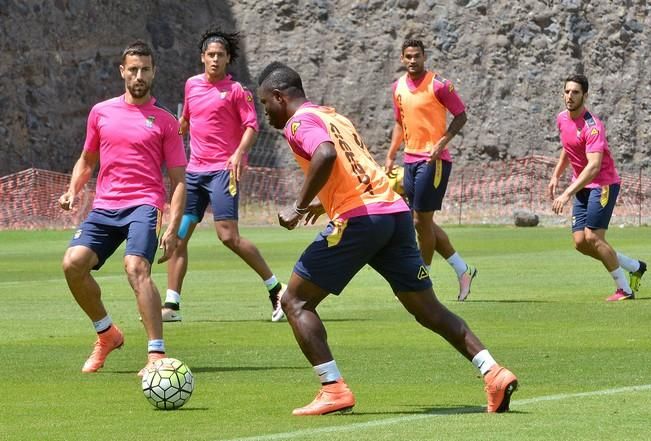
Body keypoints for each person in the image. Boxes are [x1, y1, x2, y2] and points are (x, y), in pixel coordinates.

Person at [256, 61, 518, 415]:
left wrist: (299, 206)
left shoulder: (298, 122)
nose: (265, 112)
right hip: (391, 214)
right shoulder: (335, 116)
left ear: (278, 96)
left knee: (294, 302)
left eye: (264, 103)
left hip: (360, 220)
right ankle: (493, 372)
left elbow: (326, 154)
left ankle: (333, 389)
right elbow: (357, 168)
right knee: (428, 309)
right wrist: (324, 204)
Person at [59, 40, 187, 375]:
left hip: (143, 205)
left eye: (145, 69)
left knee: (135, 268)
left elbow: (179, 181)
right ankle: (107, 334)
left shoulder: (165, 121)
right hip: (104, 206)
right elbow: (87, 160)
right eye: (133, 69)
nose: (139, 75)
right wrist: (73, 189)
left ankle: (157, 355)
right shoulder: (101, 112)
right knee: (73, 264)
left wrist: (172, 226)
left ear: (154, 72)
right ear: (122, 72)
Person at [163, 27, 285, 323]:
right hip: (194, 174)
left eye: (220, 55)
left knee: (228, 236)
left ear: (228, 58)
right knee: (179, 236)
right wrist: (174, 128)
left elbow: (252, 126)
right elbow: (187, 118)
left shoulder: (237, 91)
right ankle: (172, 306)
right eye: (210, 55)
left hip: (222, 173)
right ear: (202, 57)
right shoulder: (191, 85)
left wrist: (237, 154)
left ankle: (277, 290)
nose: (215, 59)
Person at [384, 39, 477, 302]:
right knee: (424, 223)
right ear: (402, 59)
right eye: (408, 56)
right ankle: (463, 269)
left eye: (417, 56)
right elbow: (399, 123)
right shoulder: (397, 88)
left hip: (434, 161)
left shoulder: (439, 85)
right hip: (410, 161)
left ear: (424, 57)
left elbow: (461, 115)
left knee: (418, 221)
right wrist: (391, 155)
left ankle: (420, 276)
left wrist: (442, 142)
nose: (413, 60)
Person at [549, 74, 646, 301]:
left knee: (593, 237)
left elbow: (593, 167)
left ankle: (625, 289)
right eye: (567, 91)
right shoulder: (562, 119)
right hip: (582, 186)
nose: (570, 96)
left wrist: (566, 193)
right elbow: (568, 147)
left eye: (575, 92)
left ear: (585, 95)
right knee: (581, 243)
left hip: (602, 185)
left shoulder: (593, 127)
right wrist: (555, 176)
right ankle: (634, 266)